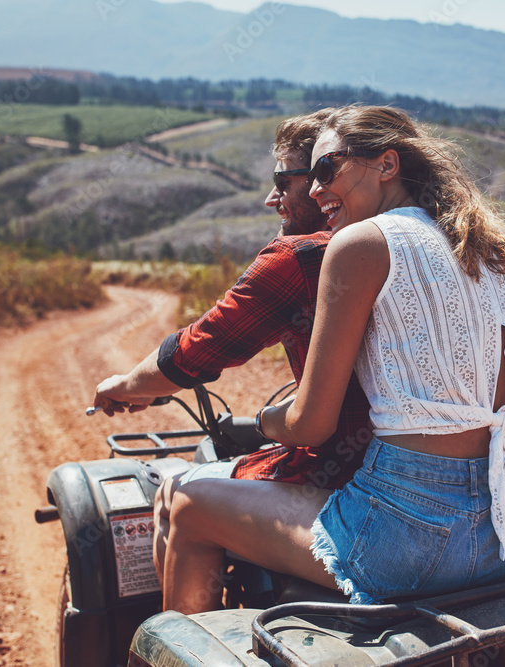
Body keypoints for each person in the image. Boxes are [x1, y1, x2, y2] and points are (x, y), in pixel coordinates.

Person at [125, 105, 505, 614]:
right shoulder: (487, 249)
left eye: (326, 169)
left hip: (408, 545)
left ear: (387, 164)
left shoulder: (359, 244)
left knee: (187, 504)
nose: (316, 190)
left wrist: (264, 420)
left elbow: (311, 424)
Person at [93, 109, 372, 583]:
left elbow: (196, 350)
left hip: (340, 479)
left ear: (330, 178)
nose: (272, 198)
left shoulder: (301, 258)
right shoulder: (430, 243)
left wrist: (127, 385)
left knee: (175, 495)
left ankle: (171, 647)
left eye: (284, 182)